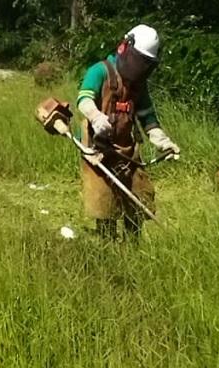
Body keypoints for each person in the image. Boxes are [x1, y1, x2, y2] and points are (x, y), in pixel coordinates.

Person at [76, 24, 179, 241]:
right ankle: (108, 248)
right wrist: (95, 116)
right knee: (106, 206)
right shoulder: (100, 71)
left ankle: (133, 247)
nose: (139, 69)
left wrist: (163, 141)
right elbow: (83, 99)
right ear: (125, 48)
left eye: (145, 65)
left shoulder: (138, 86)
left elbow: (148, 119)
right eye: (138, 62)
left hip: (127, 152)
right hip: (98, 151)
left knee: (138, 201)